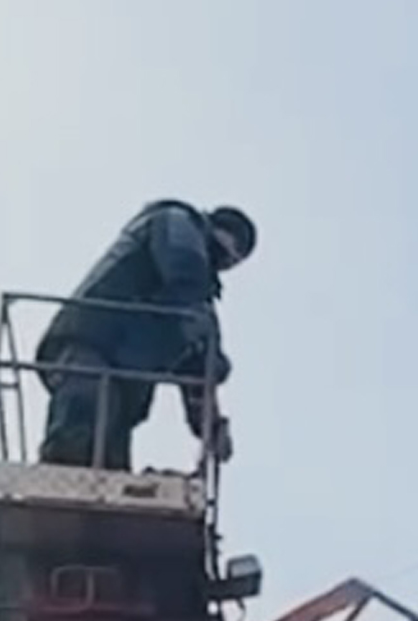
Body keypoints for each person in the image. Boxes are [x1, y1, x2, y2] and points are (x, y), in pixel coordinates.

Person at [35, 200, 255, 468]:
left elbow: (198, 370)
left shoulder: (197, 304)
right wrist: (209, 350)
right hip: (93, 341)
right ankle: (58, 477)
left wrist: (210, 424)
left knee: (111, 465)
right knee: (78, 426)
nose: (232, 260)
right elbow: (184, 272)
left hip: (127, 375)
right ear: (220, 230)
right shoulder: (177, 222)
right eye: (235, 249)